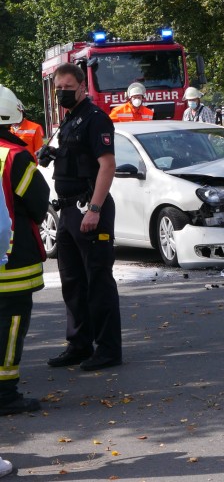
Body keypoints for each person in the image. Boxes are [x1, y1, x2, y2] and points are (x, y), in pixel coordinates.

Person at [43, 62, 121, 371]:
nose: (62, 93)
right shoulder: (70, 120)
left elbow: (108, 165)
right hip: (68, 211)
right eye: (58, 89)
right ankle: (79, 344)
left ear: (81, 88)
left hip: (88, 209)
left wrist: (95, 209)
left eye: (67, 88)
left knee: (98, 280)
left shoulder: (95, 119)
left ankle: (108, 349)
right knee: (72, 281)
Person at [0, 86, 50, 415]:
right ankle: (5, 395)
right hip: (12, 259)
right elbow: (38, 202)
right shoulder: (14, 156)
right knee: (11, 323)